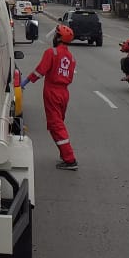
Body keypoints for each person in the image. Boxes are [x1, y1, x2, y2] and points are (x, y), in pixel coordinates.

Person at [21, 24, 78, 170]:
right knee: (58, 123)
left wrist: (26, 81)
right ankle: (64, 154)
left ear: (58, 37)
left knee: (56, 125)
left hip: (52, 91)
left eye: (55, 34)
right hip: (64, 92)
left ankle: (69, 158)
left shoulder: (51, 53)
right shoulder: (71, 58)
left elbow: (40, 70)